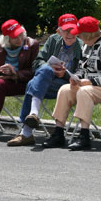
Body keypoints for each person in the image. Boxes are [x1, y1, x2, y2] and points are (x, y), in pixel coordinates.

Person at [42, 16, 101, 151]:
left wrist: (88, 81)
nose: (77, 35)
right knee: (65, 89)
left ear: (87, 35)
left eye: (79, 33)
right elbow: (83, 68)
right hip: (92, 85)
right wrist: (76, 77)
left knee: (84, 91)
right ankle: (58, 133)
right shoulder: (88, 46)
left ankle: (84, 136)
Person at [7, 13, 83, 147]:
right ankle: (32, 116)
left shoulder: (82, 46)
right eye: (66, 30)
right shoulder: (53, 40)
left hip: (68, 86)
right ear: (59, 31)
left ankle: (27, 131)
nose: (70, 34)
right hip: (47, 83)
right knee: (45, 70)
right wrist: (50, 68)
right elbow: (37, 63)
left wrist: (65, 74)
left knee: (32, 84)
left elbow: (83, 73)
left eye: (72, 30)